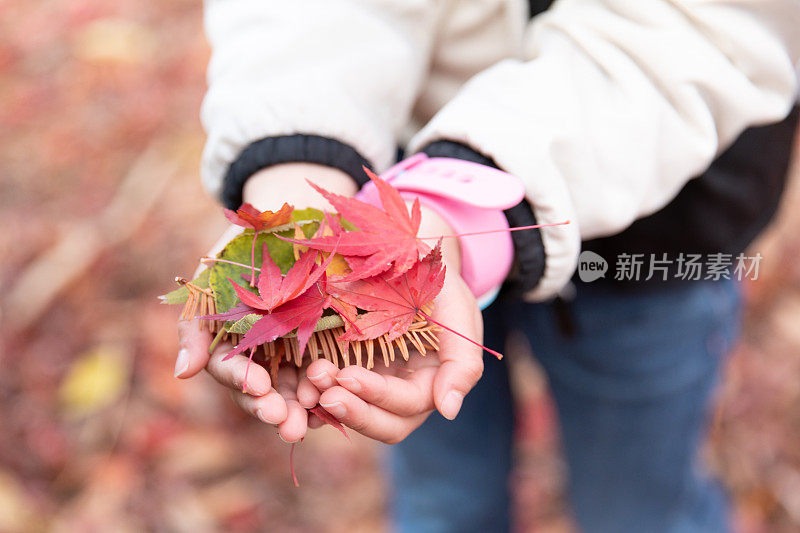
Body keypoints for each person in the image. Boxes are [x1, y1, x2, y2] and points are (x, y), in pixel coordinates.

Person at [175, 1, 800, 531]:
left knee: (638, 504)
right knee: (444, 494)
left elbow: (717, 26)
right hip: (399, 180)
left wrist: (464, 195)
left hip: (659, 221)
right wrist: (294, 163)